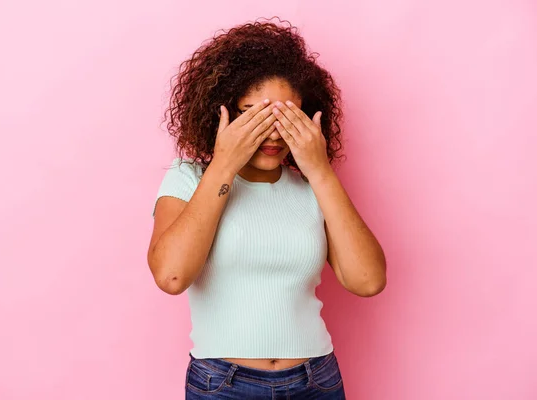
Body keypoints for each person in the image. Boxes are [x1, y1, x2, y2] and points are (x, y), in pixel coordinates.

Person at [148, 18, 387, 399]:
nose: (274, 133)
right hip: (223, 384)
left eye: (287, 118)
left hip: (317, 379)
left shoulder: (313, 186)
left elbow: (368, 281)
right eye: (254, 117)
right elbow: (172, 276)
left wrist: (320, 171)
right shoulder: (189, 178)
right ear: (220, 113)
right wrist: (224, 164)